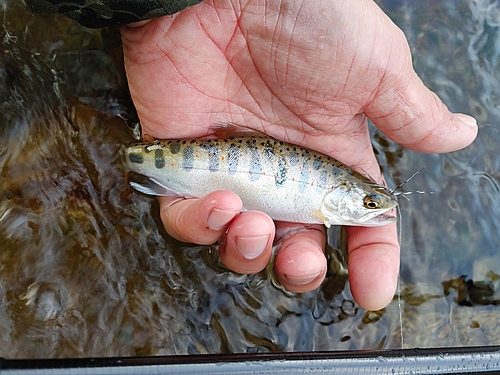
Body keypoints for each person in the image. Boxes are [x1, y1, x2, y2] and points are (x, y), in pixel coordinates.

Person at [26, 0, 478, 311]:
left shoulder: (334, 187)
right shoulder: (325, 197)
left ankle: (110, 154)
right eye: (369, 204)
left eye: (372, 204)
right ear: (345, 195)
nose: (376, 210)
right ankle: (114, 154)